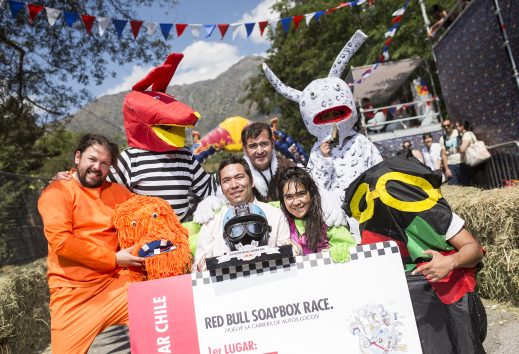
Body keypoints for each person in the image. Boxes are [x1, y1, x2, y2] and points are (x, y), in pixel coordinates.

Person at [344, 152, 487, 353]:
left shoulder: (434, 213)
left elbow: (474, 249)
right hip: (409, 310)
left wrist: (451, 261)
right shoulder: (370, 230)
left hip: (451, 299)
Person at [38, 134, 145, 354]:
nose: (98, 167)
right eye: (92, 159)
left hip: (116, 283)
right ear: (78, 157)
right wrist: (113, 258)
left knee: (158, 307)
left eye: (105, 163)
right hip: (73, 294)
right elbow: (62, 242)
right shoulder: (57, 192)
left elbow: (148, 212)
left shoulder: (119, 192)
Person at [194, 122, 346, 227]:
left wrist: (326, 201)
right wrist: (210, 203)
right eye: (253, 146)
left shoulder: (287, 166)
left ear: (272, 144)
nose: (259, 151)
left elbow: (313, 187)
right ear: (245, 149)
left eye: (264, 144)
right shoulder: (239, 172)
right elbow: (225, 194)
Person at [194, 155, 291, 270]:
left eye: (239, 177)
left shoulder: (275, 215)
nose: (234, 185)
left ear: (252, 181)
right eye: (226, 181)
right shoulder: (211, 223)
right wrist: (200, 267)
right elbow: (198, 266)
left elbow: (287, 258)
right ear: (221, 189)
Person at [277, 167, 356, 262]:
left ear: (311, 192)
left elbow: (350, 248)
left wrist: (329, 255)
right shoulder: (278, 214)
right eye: (289, 197)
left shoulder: (329, 217)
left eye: (301, 194)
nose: (296, 202)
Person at [439, 118, 469, 185]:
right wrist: (446, 169)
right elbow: (443, 154)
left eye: (448, 125)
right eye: (444, 126)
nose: (446, 127)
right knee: (454, 186)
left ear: (452, 125)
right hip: (451, 164)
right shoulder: (442, 138)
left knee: (466, 184)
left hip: (462, 162)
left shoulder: (458, 133)